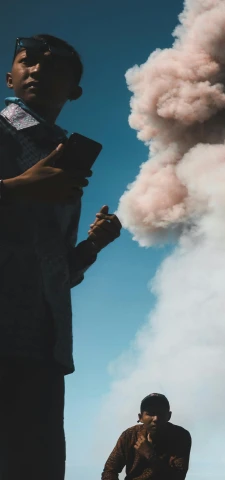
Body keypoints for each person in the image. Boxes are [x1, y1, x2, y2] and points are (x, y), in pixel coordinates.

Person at [0, 34, 122, 480]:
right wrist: (18, 187)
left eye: (53, 66)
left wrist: (92, 246)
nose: (36, 70)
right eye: (27, 62)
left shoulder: (63, 156)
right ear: (9, 75)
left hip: (43, 350)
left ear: (74, 89)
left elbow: (51, 271)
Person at [102, 393, 192, 480]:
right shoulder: (130, 435)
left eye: (161, 413)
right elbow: (109, 470)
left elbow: (178, 477)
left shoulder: (180, 436)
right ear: (140, 417)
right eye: (150, 413)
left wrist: (150, 454)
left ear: (169, 416)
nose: (156, 418)